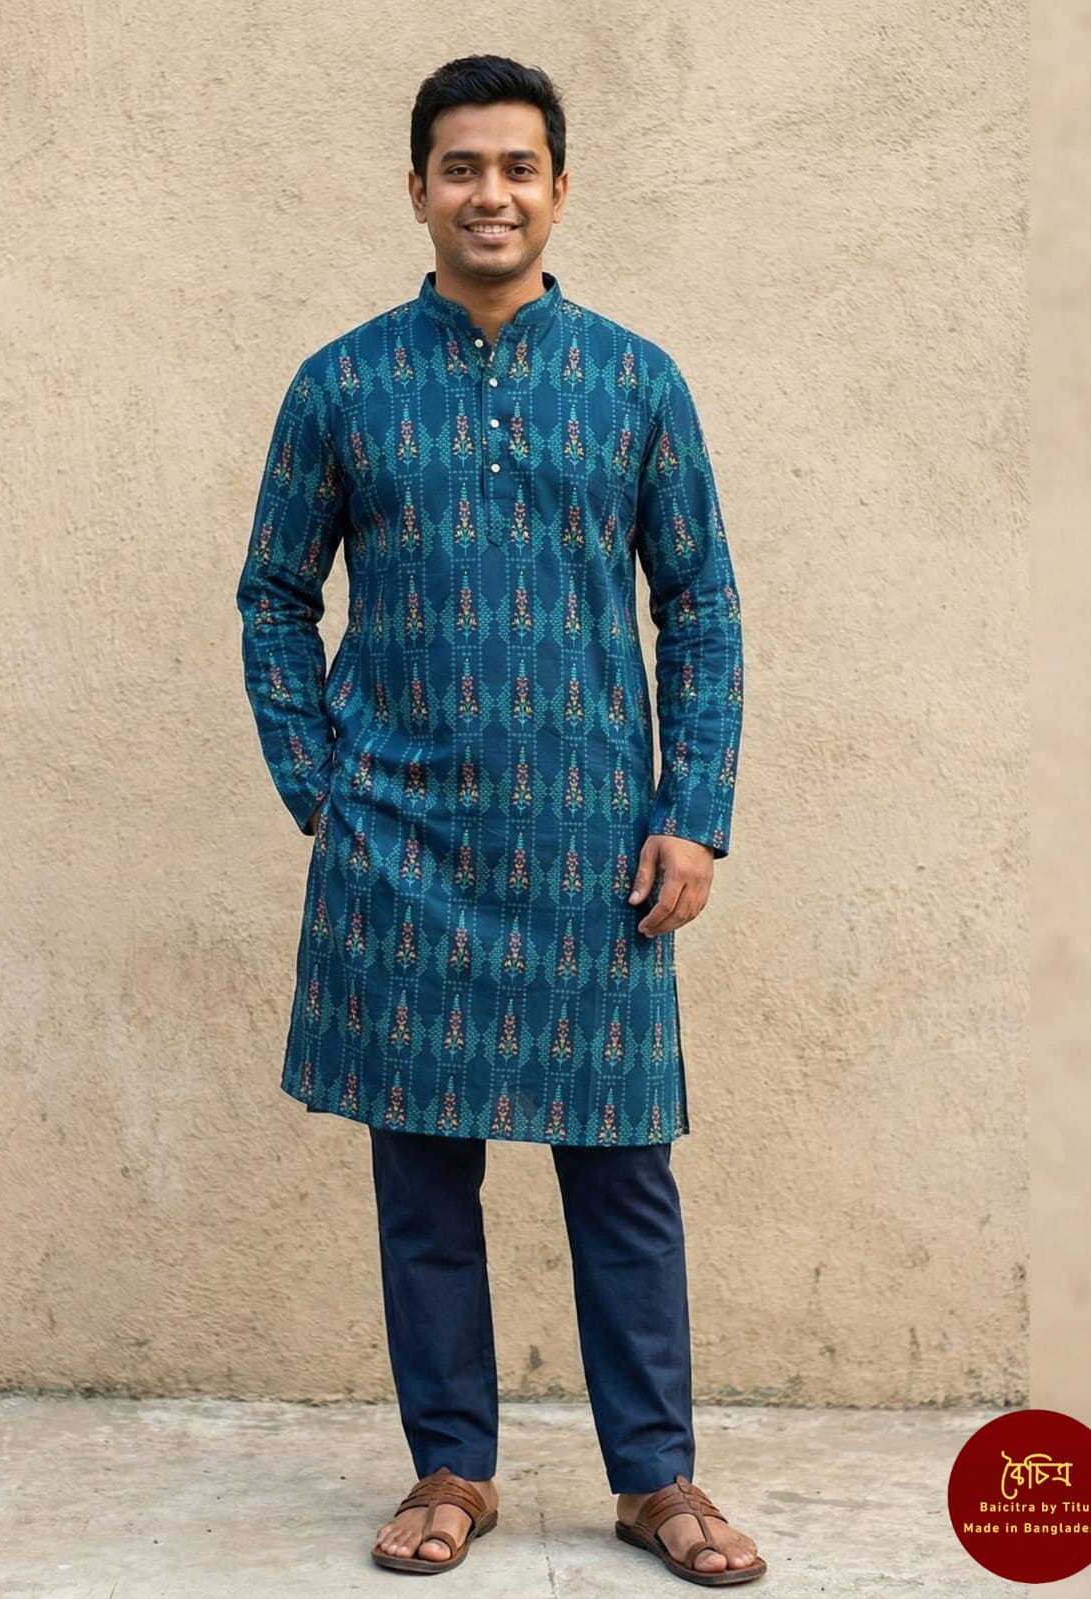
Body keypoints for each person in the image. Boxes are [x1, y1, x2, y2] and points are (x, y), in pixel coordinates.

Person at [236, 53, 764, 1587]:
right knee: (424, 1181)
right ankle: (450, 1468)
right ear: (418, 189)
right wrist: (319, 783)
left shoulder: (635, 381)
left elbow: (702, 608)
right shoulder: (342, 384)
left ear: (559, 190)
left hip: (596, 853)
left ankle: (656, 1479)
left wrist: (693, 814)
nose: (490, 194)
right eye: (461, 168)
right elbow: (274, 595)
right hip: (401, 848)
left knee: (623, 1174)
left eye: (518, 167)